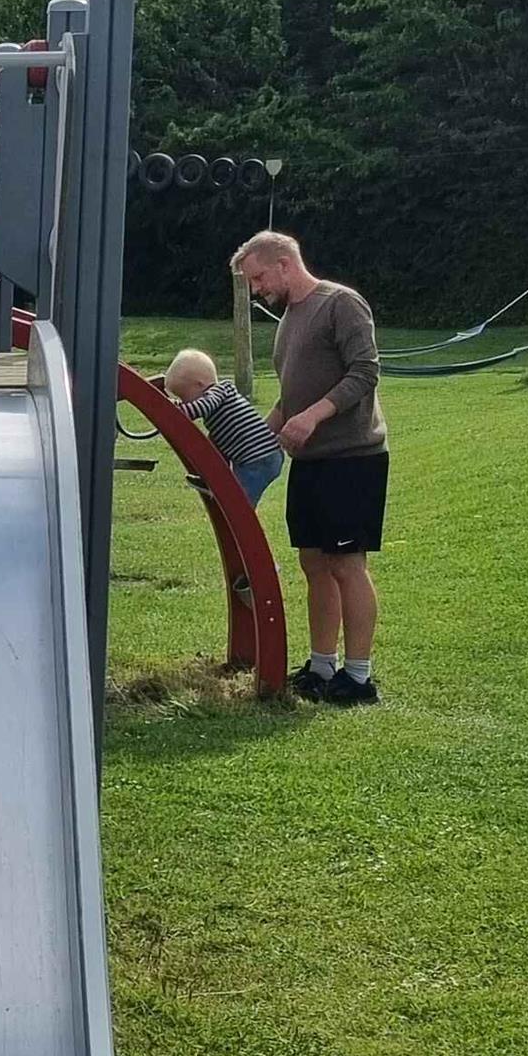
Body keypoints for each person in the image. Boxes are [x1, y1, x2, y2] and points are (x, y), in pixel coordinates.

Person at [232, 231, 388, 704]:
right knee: (314, 563)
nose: (256, 289)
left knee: (346, 563)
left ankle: (358, 678)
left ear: (284, 263)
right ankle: (322, 668)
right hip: (310, 460)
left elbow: (365, 372)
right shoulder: (290, 319)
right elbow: (290, 396)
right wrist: (257, 437)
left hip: (352, 458)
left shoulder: (341, 304)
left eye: (258, 277)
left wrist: (313, 416)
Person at [161, 345, 285, 506]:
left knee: (240, 502)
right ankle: (212, 480)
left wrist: (176, 414)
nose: (185, 402)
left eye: (184, 396)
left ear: (200, 384)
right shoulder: (216, 399)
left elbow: (202, 406)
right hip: (252, 457)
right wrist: (176, 407)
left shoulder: (221, 391)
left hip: (260, 459)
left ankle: (241, 520)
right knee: (213, 444)